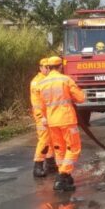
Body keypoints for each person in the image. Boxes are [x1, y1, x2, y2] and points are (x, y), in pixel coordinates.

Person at [35, 56, 86, 192]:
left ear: (48, 67)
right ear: (60, 66)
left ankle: (65, 175)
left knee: (59, 149)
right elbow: (80, 99)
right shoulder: (66, 80)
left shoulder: (42, 84)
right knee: (74, 148)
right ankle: (62, 176)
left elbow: (39, 106)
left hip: (52, 122)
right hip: (66, 120)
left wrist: (43, 118)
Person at [30, 58, 57, 178]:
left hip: (50, 115)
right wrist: (41, 117)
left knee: (51, 140)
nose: (48, 69)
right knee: (44, 140)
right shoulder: (37, 83)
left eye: (49, 67)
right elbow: (36, 103)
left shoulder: (47, 80)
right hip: (42, 116)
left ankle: (50, 164)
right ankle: (38, 165)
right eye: (46, 67)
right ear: (41, 68)